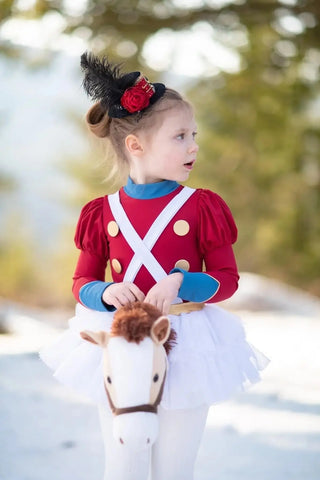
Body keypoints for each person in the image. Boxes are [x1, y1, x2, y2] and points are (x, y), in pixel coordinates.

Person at [40, 52, 269, 480]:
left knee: (174, 467)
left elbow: (227, 279)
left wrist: (182, 280)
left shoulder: (202, 206)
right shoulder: (101, 212)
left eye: (194, 134)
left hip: (186, 341)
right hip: (123, 345)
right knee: (123, 462)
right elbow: (82, 281)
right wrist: (104, 292)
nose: (194, 145)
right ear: (135, 145)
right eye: (180, 136)